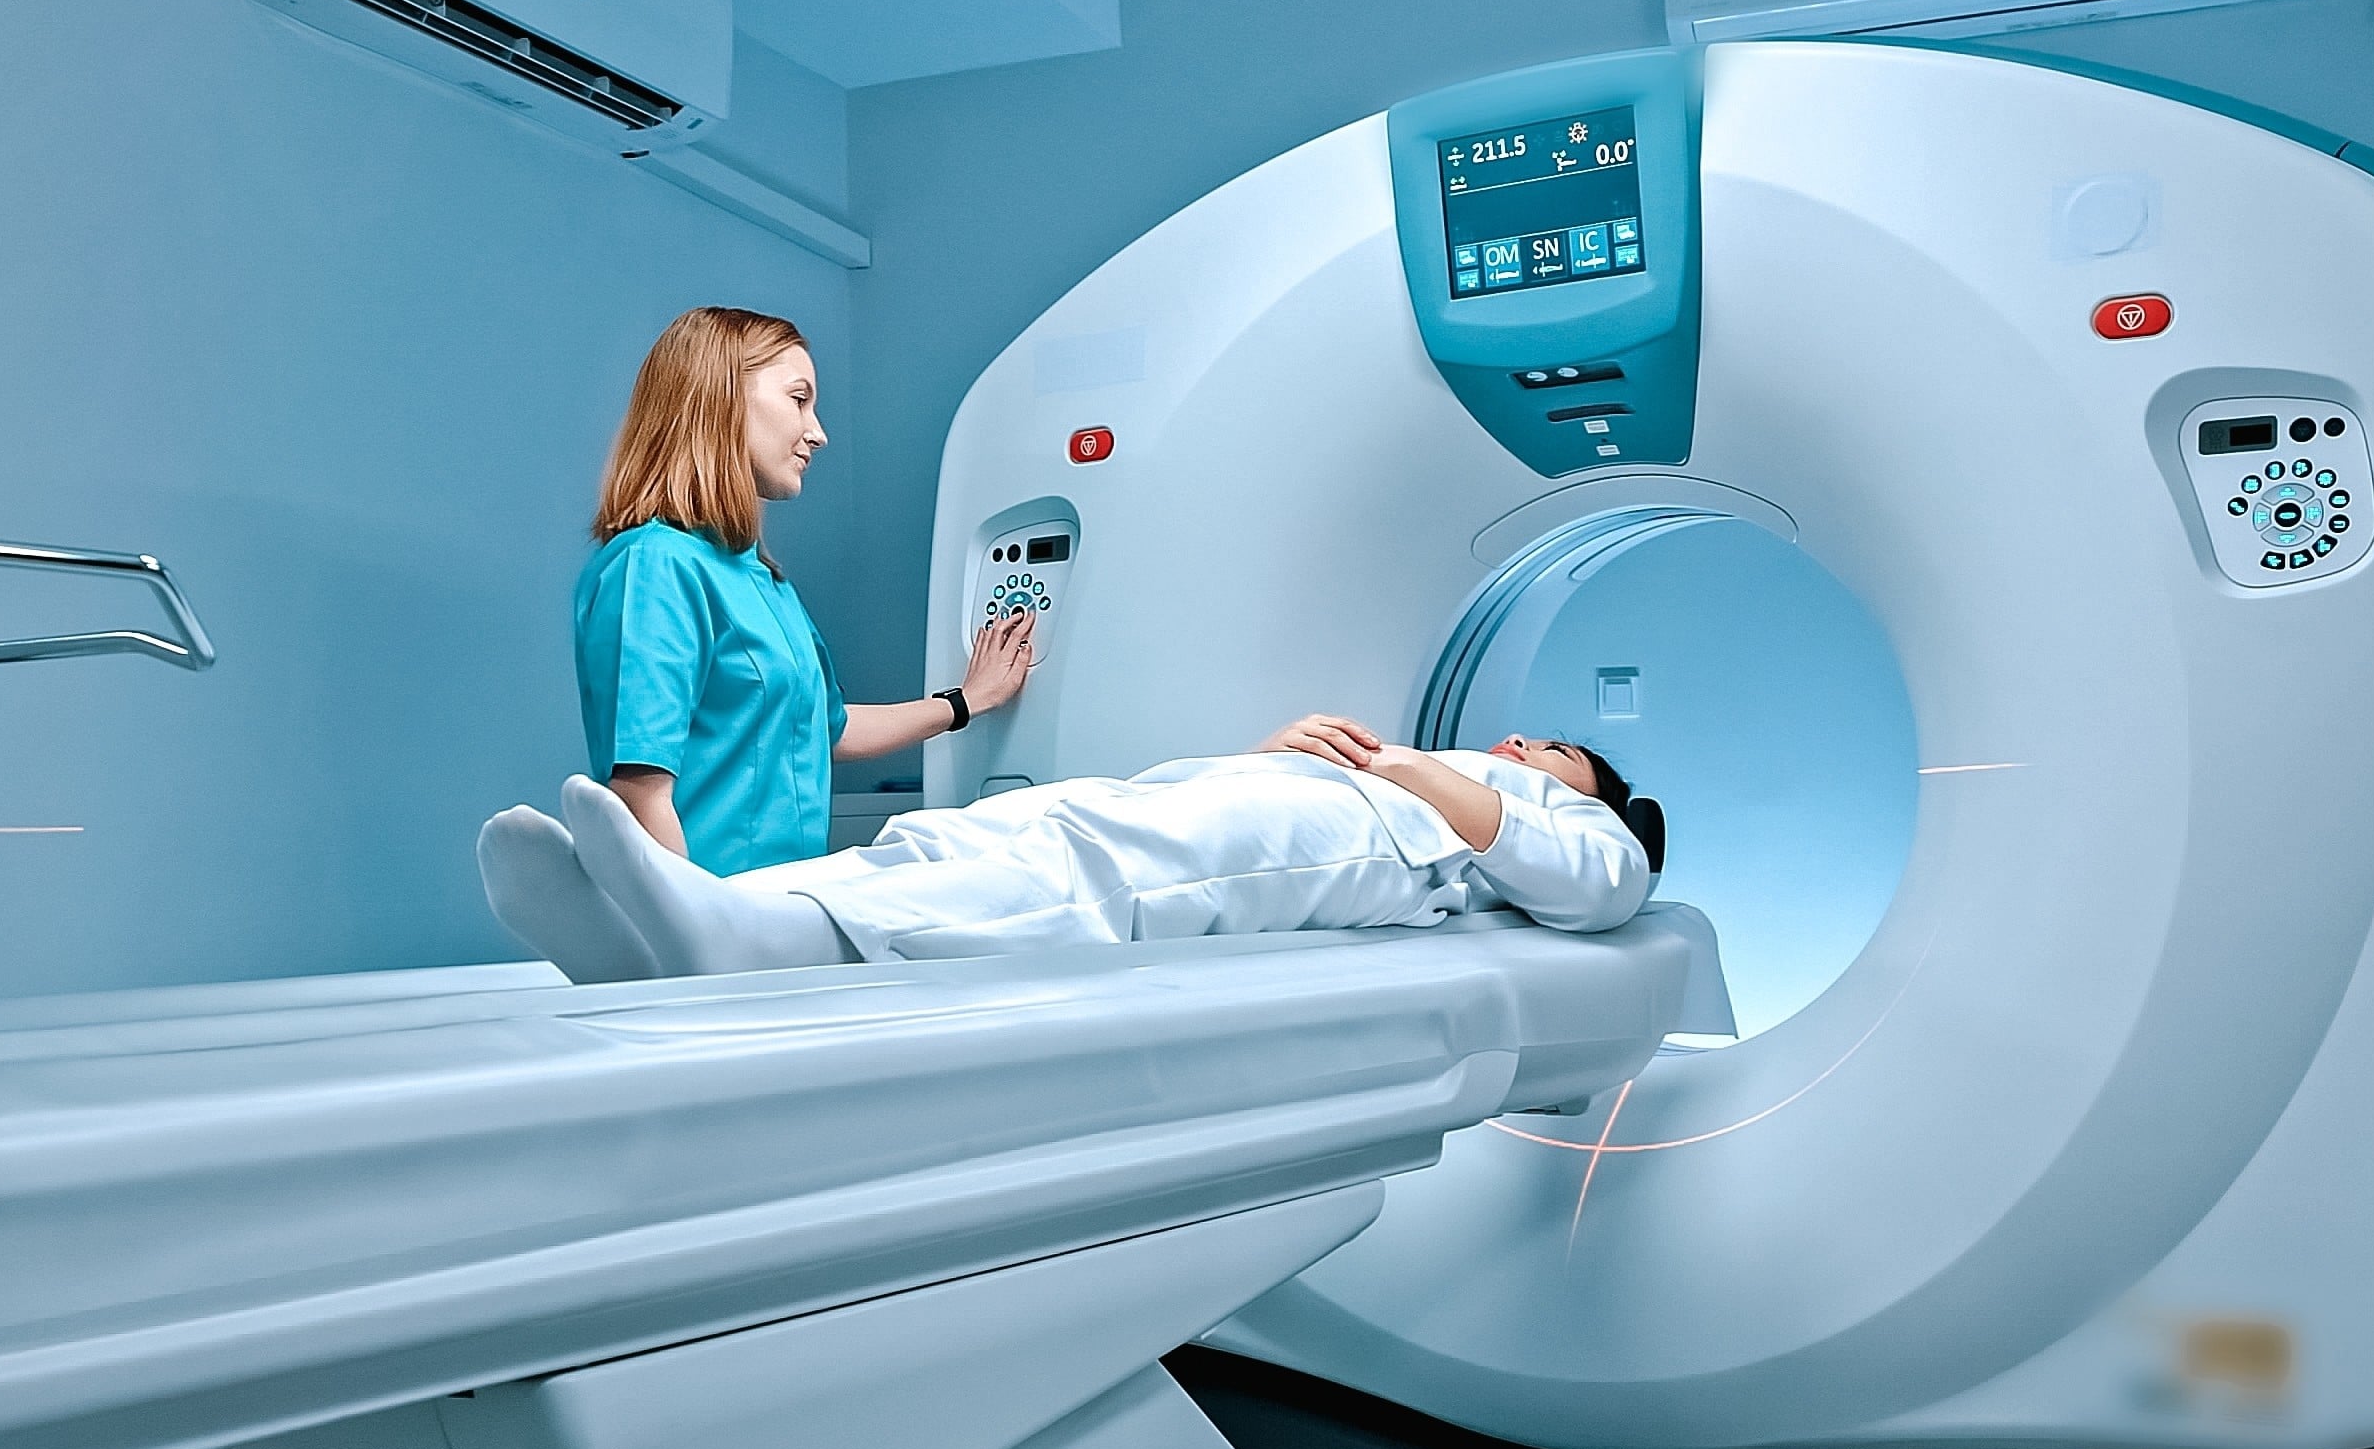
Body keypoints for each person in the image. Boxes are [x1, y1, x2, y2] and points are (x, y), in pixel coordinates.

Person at [480, 712, 1664, 981]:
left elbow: (1595, 893)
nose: (1523, 738)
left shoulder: (1587, 829)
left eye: (1555, 748)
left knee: (1083, 876)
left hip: (1365, 843)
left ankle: (761, 944)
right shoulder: (1461, 765)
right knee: (989, 827)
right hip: (1279, 796)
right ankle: (679, 909)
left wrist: (1414, 773)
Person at [570, 307, 1036, 878]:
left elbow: (827, 728)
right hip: (715, 910)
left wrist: (966, 701)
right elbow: (641, 795)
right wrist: (700, 940)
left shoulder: (761, 579)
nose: (817, 432)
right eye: (799, 399)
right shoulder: (655, 566)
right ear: (721, 399)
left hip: (781, 904)